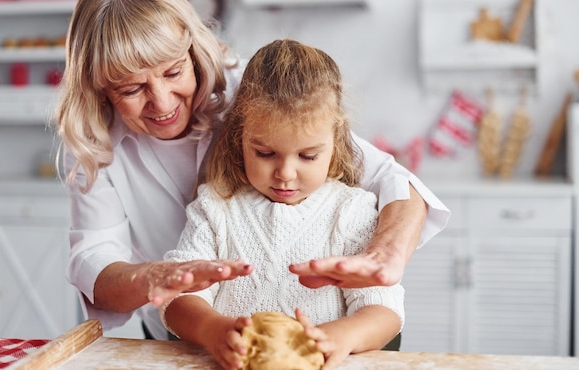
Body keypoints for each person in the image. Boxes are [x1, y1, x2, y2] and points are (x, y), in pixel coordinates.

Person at [53, 0, 449, 340]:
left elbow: (390, 179)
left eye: (173, 72)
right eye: (130, 89)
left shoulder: (252, 92)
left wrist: (384, 256)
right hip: (179, 333)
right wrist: (156, 278)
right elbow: (96, 259)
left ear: (192, 51)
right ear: (99, 90)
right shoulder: (92, 139)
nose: (161, 102)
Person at [162, 39, 404, 370]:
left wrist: (340, 337)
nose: (285, 174)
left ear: (335, 141)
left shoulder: (351, 212)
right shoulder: (216, 208)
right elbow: (178, 296)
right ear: (240, 137)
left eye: (308, 156)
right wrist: (211, 329)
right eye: (265, 153)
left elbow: (384, 310)